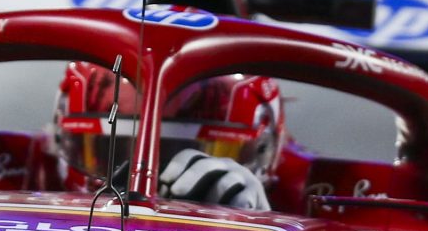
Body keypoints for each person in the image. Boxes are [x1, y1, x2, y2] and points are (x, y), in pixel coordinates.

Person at [48, 62, 282, 210]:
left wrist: (262, 225)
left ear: (264, 151)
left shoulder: (311, 197)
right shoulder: (21, 167)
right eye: (115, 151)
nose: (145, 188)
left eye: (195, 153)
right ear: (62, 139)